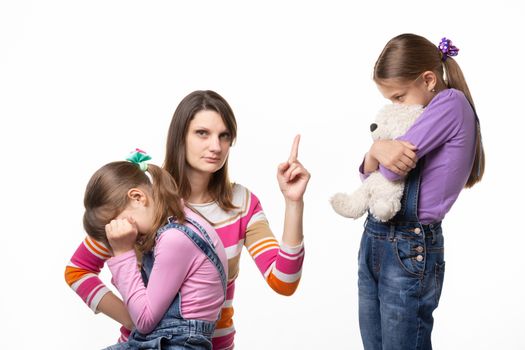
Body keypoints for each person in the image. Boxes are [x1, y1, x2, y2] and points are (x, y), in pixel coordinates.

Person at [65, 90, 310, 349]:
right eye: (202, 133)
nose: (215, 146)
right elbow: (78, 270)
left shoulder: (241, 204)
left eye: (224, 136)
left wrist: (294, 203)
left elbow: (284, 282)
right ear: (180, 137)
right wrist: (135, 320)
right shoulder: (147, 201)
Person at [356, 34, 485, 350]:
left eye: (399, 97)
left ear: (428, 79)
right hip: (376, 235)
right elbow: (369, 173)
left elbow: (393, 166)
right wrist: (376, 151)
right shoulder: (424, 111)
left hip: (410, 245)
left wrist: (378, 153)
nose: (395, 106)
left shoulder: (451, 104)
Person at [81, 149, 228, 349]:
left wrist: (123, 253)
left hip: (178, 343)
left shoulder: (174, 239)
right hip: (166, 339)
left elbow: (143, 320)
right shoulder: (182, 219)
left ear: (137, 197)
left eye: (118, 223)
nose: (122, 233)